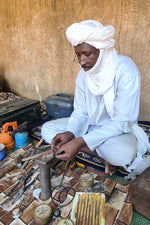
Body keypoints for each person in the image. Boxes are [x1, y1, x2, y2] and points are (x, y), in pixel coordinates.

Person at [41, 20, 150, 177]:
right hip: (89, 126)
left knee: (123, 154)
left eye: (87, 54)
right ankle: (102, 157)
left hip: (118, 131)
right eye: (78, 55)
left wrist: (78, 142)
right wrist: (71, 133)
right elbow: (81, 112)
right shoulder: (83, 74)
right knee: (48, 130)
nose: (82, 62)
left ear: (102, 50)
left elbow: (121, 122)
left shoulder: (126, 71)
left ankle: (97, 152)